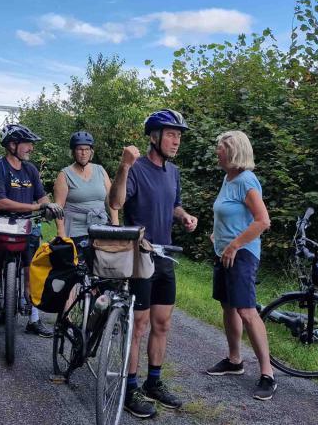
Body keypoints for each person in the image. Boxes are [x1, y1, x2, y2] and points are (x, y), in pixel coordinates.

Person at [108, 109, 198, 419]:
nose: (177, 140)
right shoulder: (136, 168)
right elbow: (116, 203)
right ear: (153, 136)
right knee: (140, 325)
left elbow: (173, 203)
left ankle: (153, 382)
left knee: (162, 323)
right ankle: (129, 387)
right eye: (171, 134)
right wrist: (123, 166)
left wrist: (183, 215)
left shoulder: (173, 172)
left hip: (165, 257)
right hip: (141, 256)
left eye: (179, 135)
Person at [0, 124, 63, 344]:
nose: (31, 147)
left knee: (32, 274)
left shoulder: (30, 170)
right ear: (12, 145)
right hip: (0, 226)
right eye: (27, 143)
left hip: (25, 228)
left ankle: (34, 318)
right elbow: (0, 202)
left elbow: (41, 197)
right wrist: (35, 208)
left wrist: (48, 206)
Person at [204, 130, 276, 400]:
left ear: (234, 150)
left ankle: (268, 374)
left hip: (242, 254)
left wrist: (234, 244)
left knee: (246, 311)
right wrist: (218, 235)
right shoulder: (228, 178)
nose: (217, 152)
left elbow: (262, 221)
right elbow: (229, 213)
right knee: (227, 305)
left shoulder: (247, 180)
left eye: (221, 148)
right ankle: (235, 360)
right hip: (224, 253)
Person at [53, 131, 118, 250]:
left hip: (101, 228)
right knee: (79, 266)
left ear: (91, 151)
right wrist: (61, 233)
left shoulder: (100, 170)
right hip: (75, 231)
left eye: (87, 149)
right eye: (79, 149)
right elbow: (58, 208)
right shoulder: (64, 175)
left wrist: (115, 223)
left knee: (103, 264)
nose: (83, 153)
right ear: (73, 152)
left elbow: (111, 199)